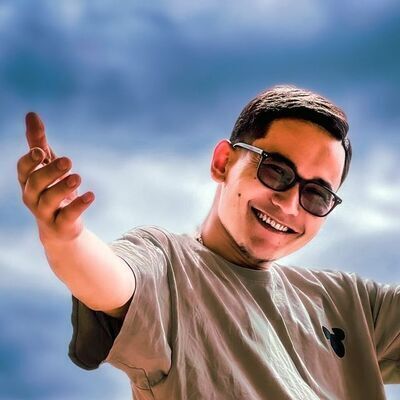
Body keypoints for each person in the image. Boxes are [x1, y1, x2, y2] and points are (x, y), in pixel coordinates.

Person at [17, 85, 400, 400]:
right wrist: (67, 238)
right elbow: (112, 279)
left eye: (316, 195)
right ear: (223, 162)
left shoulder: (348, 303)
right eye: (276, 170)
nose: (288, 204)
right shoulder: (169, 265)